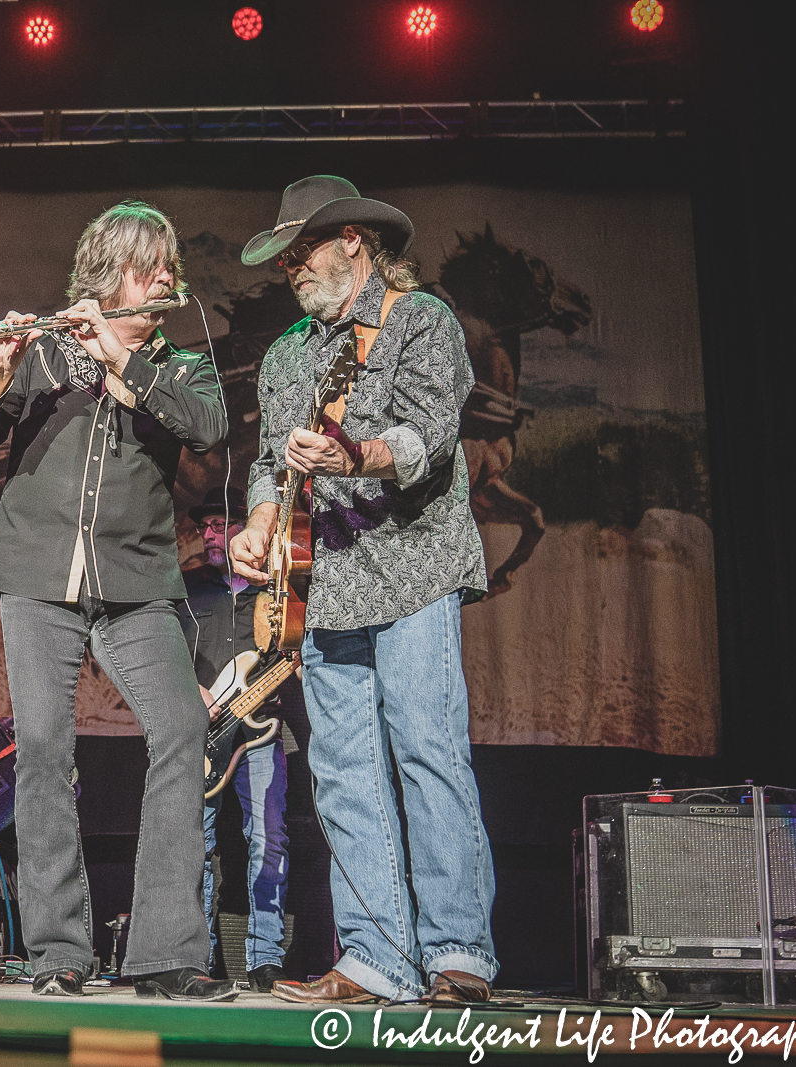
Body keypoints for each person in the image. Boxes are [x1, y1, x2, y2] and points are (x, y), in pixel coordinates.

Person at [0, 201, 234, 1001]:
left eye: (169, 267)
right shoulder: (43, 353)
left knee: (182, 728)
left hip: (137, 586)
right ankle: (58, 952)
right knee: (42, 749)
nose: (167, 280)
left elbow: (206, 427)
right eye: (151, 267)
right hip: (37, 579)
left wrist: (122, 359)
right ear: (110, 276)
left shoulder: (179, 365)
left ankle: (167, 952)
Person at [229, 175, 498, 1006]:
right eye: (283, 258)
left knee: (428, 751)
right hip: (326, 587)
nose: (290, 268)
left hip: (415, 569)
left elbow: (428, 435)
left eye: (300, 249)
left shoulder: (423, 320)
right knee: (343, 772)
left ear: (352, 239)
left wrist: (355, 457)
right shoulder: (286, 355)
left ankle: (458, 952)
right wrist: (260, 525)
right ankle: (376, 957)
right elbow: (272, 462)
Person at [179, 486, 292, 993]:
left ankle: (265, 957)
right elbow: (161, 649)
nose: (206, 534)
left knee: (269, 838)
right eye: (201, 527)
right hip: (201, 734)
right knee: (194, 843)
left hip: (262, 731)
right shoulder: (186, 588)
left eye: (215, 524)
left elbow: (292, 652)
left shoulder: (279, 592)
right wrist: (191, 689)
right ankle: (195, 956)